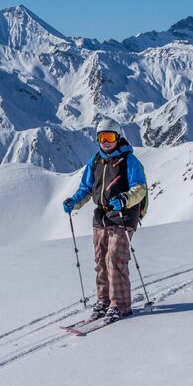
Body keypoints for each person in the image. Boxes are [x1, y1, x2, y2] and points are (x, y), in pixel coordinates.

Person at [61, 118, 148, 323]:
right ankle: (104, 301)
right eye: (101, 137)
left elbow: (140, 188)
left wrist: (125, 199)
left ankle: (120, 305)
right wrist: (74, 202)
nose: (106, 142)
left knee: (114, 259)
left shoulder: (129, 161)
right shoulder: (96, 161)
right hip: (101, 215)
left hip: (124, 215)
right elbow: (87, 188)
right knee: (101, 260)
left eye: (109, 137)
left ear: (118, 137)